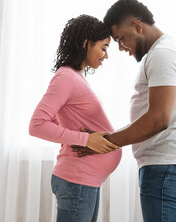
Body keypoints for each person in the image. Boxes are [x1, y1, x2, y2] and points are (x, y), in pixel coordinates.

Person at [72, 0, 176, 222]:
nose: (122, 48)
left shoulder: (163, 55)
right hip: (166, 164)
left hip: (167, 164)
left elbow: (158, 119)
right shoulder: (161, 53)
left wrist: (105, 143)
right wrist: (104, 138)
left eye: (121, 39)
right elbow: (151, 117)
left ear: (137, 26)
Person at [29, 14, 121, 222]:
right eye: (104, 48)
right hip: (77, 179)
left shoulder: (75, 78)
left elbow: (57, 120)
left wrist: (76, 136)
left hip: (86, 180)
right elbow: (37, 125)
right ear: (86, 43)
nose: (106, 56)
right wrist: (86, 139)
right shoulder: (66, 77)